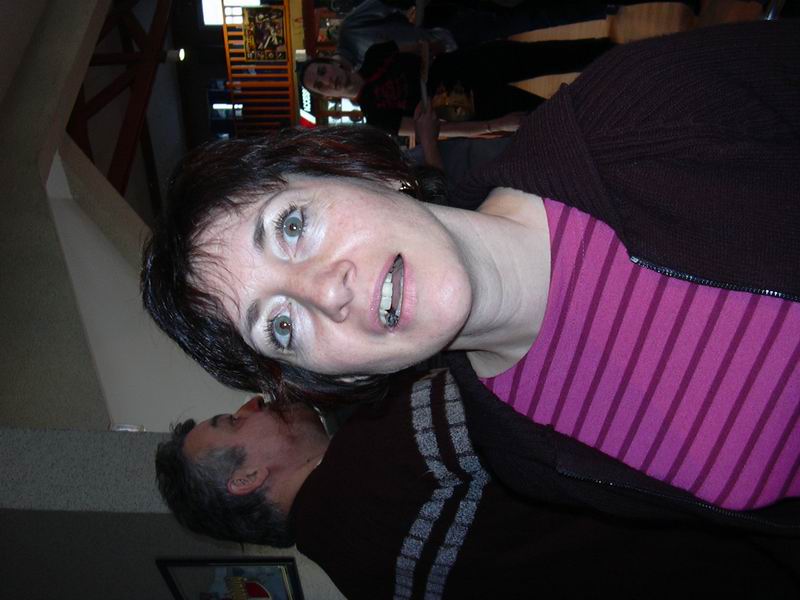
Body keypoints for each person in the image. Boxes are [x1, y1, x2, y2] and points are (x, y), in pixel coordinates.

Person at [142, 20, 800, 511]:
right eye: (281, 327)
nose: (325, 291)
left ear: (351, 170)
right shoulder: (526, 456)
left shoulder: (635, 111)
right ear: (333, 375)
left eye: (291, 227)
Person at [156, 374, 800, 599]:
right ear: (247, 478)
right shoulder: (370, 465)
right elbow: (537, 376)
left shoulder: (358, 574)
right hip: (735, 490)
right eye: (232, 421)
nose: (251, 404)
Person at [300, 36, 615, 137]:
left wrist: (429, 51)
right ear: (326, 96)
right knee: (552, 115)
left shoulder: (376, 53)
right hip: (476, 104)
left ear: (333, 63)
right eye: (320, 85)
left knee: (553, 55)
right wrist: (495, 125)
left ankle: (617, 53)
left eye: (322, 71)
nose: (327, 80)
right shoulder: (376, 117)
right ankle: (615, 120)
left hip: (477, 62)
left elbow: (426, 45)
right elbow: (441, 129)